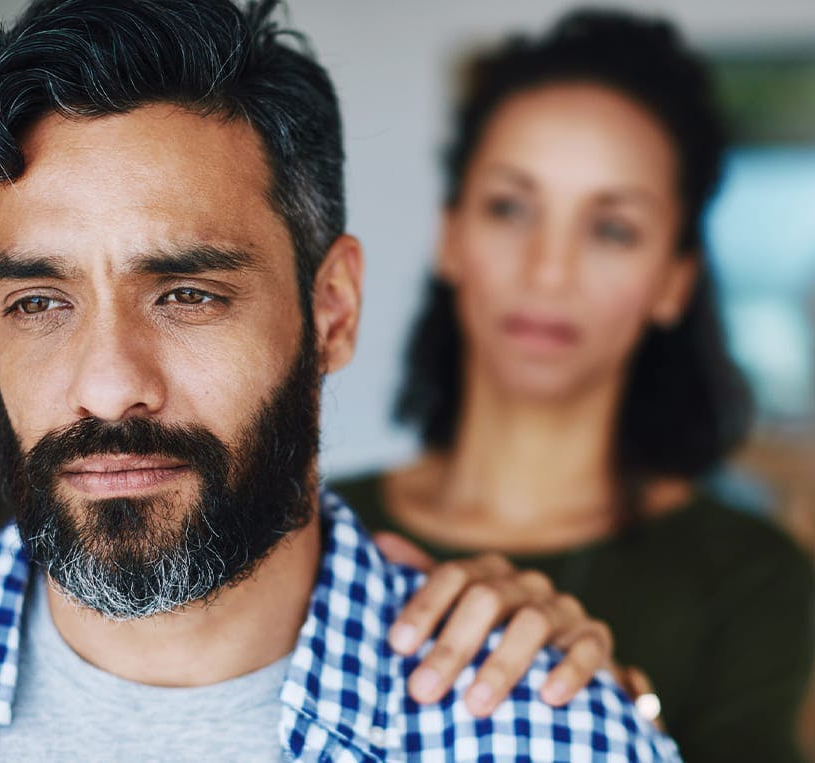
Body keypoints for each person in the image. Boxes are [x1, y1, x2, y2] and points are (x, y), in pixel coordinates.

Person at [0, 1, 679, 761]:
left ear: (333, 310)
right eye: (39, 302)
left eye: (187, 295)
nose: (108, 388)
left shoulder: (556, 737)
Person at [332, 9, 815, 762]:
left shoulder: (751, 577)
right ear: (451, 236)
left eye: (611, 228)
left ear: (674, 280)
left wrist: (617, 713)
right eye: (510, 208)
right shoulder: (313, 529)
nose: (549, 271)